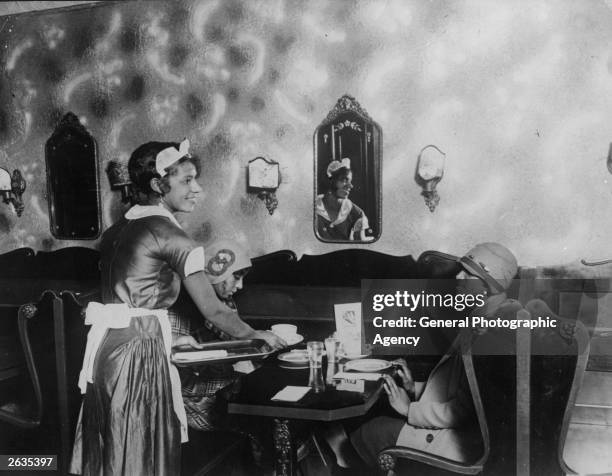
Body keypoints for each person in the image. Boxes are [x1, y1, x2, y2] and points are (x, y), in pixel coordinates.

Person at [73, 140, 286, 476]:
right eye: (186, 180)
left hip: (107, 350)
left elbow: (132, 297)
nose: (197, 189)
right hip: (139, 354)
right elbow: (213, 309)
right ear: (159, 185)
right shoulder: (175, 238)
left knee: (113, 448)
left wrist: (169, 339)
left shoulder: (116, 232)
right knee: (141, 451)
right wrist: (256, 335)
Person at [348, 242, 522, 468]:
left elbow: (460, 412)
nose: (458, 276)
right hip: (466, 432)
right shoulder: (489, 315)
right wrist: (414, 387)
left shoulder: (490, 331)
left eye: (467, 274)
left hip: (466, 445)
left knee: (371, 431)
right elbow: (459, 390)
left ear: (488, 285)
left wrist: (408, 409)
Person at [316, 158, 371, 241]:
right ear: (330, 181)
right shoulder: (312, 207)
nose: (350, 186)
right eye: (344, 180)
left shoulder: (356, 213)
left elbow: (359, 246)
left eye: (350, 181)